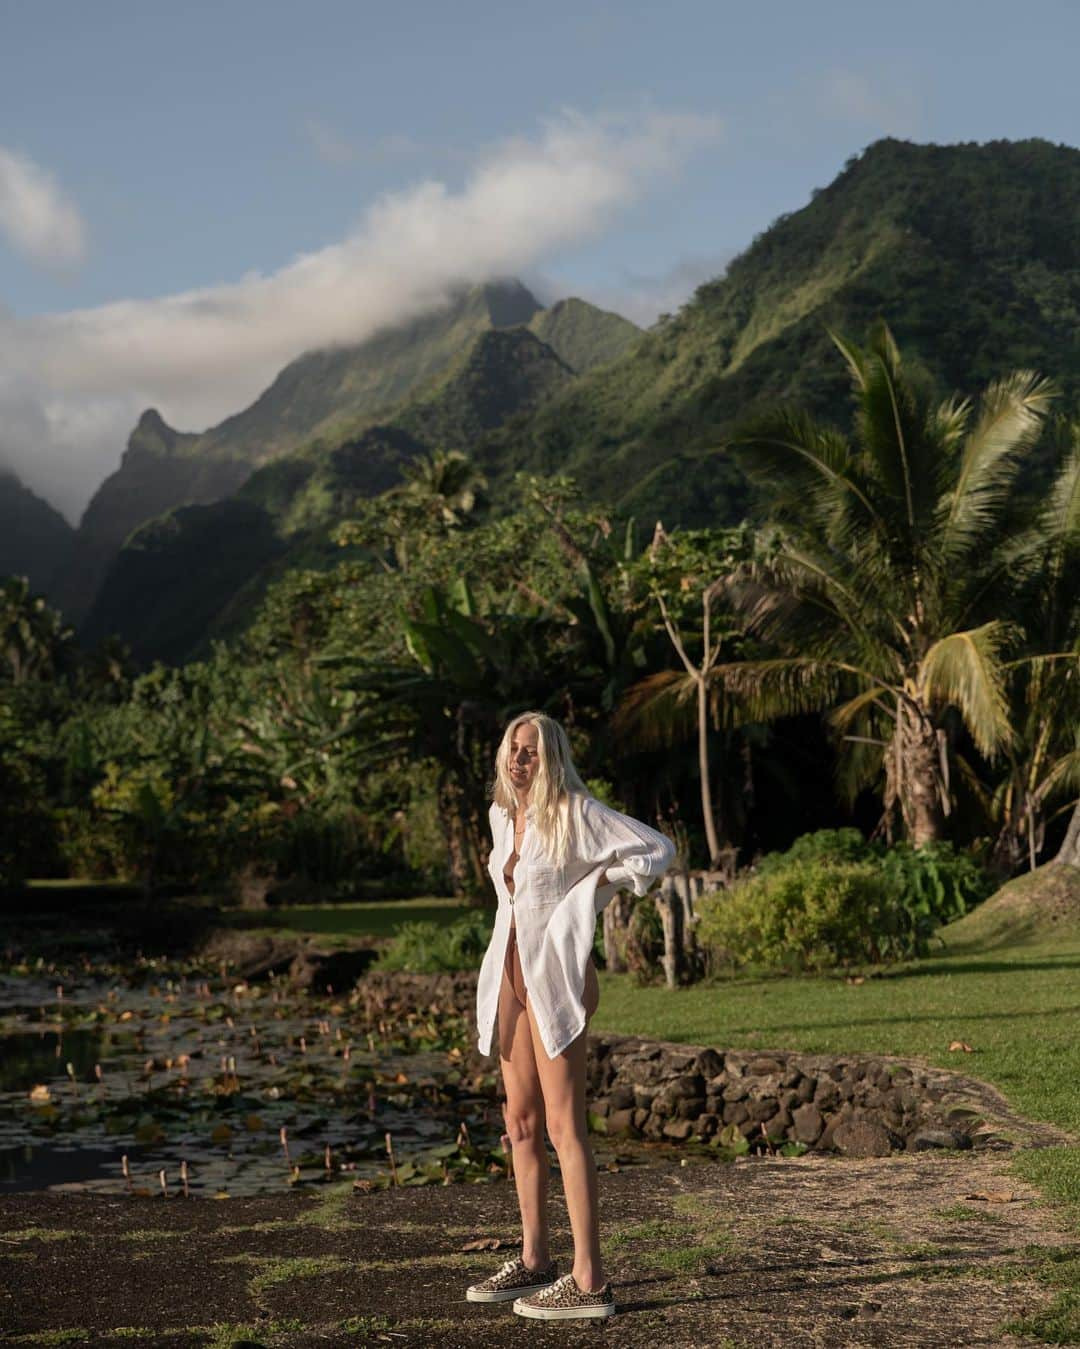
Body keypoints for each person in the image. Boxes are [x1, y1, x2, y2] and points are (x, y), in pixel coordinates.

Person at [465, 711, 675, 1321]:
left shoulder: (576, 813)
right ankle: (535, 1260)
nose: (518, 760)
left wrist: (595, 888)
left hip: (554, 979)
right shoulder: (503, 818)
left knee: (564, 1127)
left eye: (529, 751)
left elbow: (657, 850)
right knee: (521, 1123)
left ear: (551, 757)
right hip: (507, 976)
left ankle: (590, 1281)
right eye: (512, 749)